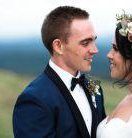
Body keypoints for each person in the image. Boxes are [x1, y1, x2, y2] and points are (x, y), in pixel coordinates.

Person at [13, 6, 106, 138]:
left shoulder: (94, 88)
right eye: (85, 43)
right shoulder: (34, 100)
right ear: (58, 46)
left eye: (94, 41)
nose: (95, 50)